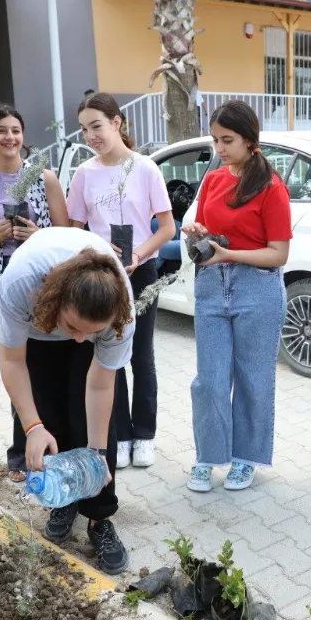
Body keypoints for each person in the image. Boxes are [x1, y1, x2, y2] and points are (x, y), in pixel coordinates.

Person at [0, 226, 134, 574]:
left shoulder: (120, 309)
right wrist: (32, 426)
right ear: (58, 299)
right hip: (37, 330)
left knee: (95, 428)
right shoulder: (21, 284)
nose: (79, 339)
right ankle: (65, 501)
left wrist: (98, 455)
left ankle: (99, 518)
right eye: (74, 326)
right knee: (50, 416)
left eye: (91, 331)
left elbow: (101, 387)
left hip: (82, 317)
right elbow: (12, 361)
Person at [183, 100, 292, 493]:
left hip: (257, 288)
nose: (220, 148)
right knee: (209, 380)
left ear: (249, 139)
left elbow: (279, 254)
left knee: (253, 380)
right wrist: (197, 231)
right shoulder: (213, 179)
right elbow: (210, 229)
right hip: (212, 286)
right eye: (215, 140)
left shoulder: (271, 186)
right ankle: (208, 457)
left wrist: (230, 255)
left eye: (227, 140)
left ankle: (246, 459)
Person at [67, 92, 175, 469]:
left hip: (141, 271)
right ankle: (122, 434)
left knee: (141, 354)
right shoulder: (84, 174)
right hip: (102, 275)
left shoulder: (146, 168)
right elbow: (74, 228)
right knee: (111, 354)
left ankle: (144, 434)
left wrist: (138, 254)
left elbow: (167, 228)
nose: (91, 135)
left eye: (96, 126)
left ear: (117, 122)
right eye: (84, 129)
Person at [0, 103, 70, 483]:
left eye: (15, 130)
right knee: (17, 364)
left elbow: (67, 235)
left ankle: (54, 443)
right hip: (4, 283)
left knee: (46, 363)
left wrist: (35, 236)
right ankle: (20, 454)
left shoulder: (45, 178)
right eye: (1, 131)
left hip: (47, 283)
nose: (10, 138)